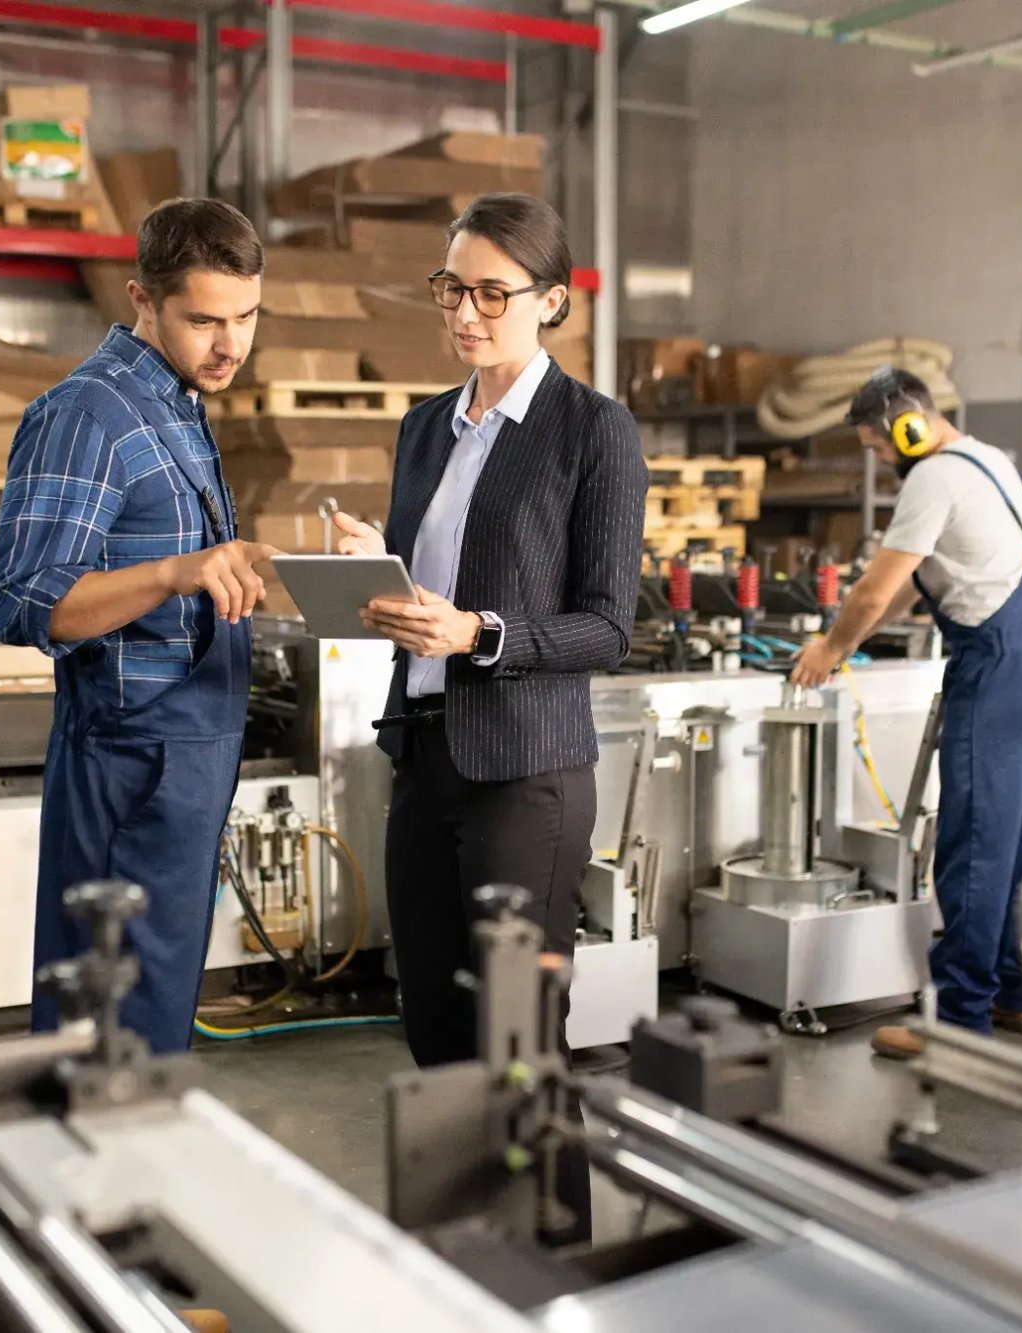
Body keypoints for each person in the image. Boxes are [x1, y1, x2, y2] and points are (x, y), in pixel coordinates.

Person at [331, 193, 647, 1237]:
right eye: (450, 289)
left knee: (517, 1038)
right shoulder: (424, 427)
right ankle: (463, 1249)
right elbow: (416, 591)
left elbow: (607, 626)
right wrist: (359, 574)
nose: (464, 313)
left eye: (490, 293)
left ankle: (552, 1259)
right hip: (424, 755)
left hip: (526, 775)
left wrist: (482, 635)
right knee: (430, 1021)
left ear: (550, 302)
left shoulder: (591, 431)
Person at [0, 197, 276, 1053]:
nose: (230, 345)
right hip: (128, 764)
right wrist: (172, 573)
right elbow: (24, 601)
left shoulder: (177, 402)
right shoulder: (89, 415)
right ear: (141, 299)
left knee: (153, 1018)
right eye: (205, 321)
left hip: (185, 759)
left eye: (247, 318)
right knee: (105, 1022)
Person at [790, 367, 1022, 1060]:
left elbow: (875, 588)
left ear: (907, 427)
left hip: (997, 665)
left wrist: (832, 646)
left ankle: (960, 1024)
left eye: (879, 448)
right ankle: (1016, 992)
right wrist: (868, 629)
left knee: (974, 842)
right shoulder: (988, 459)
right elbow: (921, 578)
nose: (881, 462)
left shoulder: (932, 477)